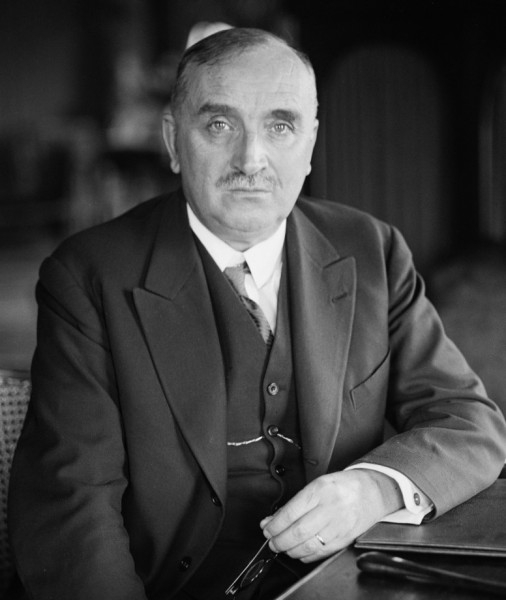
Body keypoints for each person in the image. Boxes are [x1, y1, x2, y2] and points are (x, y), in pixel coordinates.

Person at [8, 27, 506, 600]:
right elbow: (74, 505)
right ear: (173, 141)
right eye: (220, 125)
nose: (250, 159)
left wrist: (374, 489)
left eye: (280, 126)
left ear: (311, 143)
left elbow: (470, 422)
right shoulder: (87, 276)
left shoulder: (372, 250)